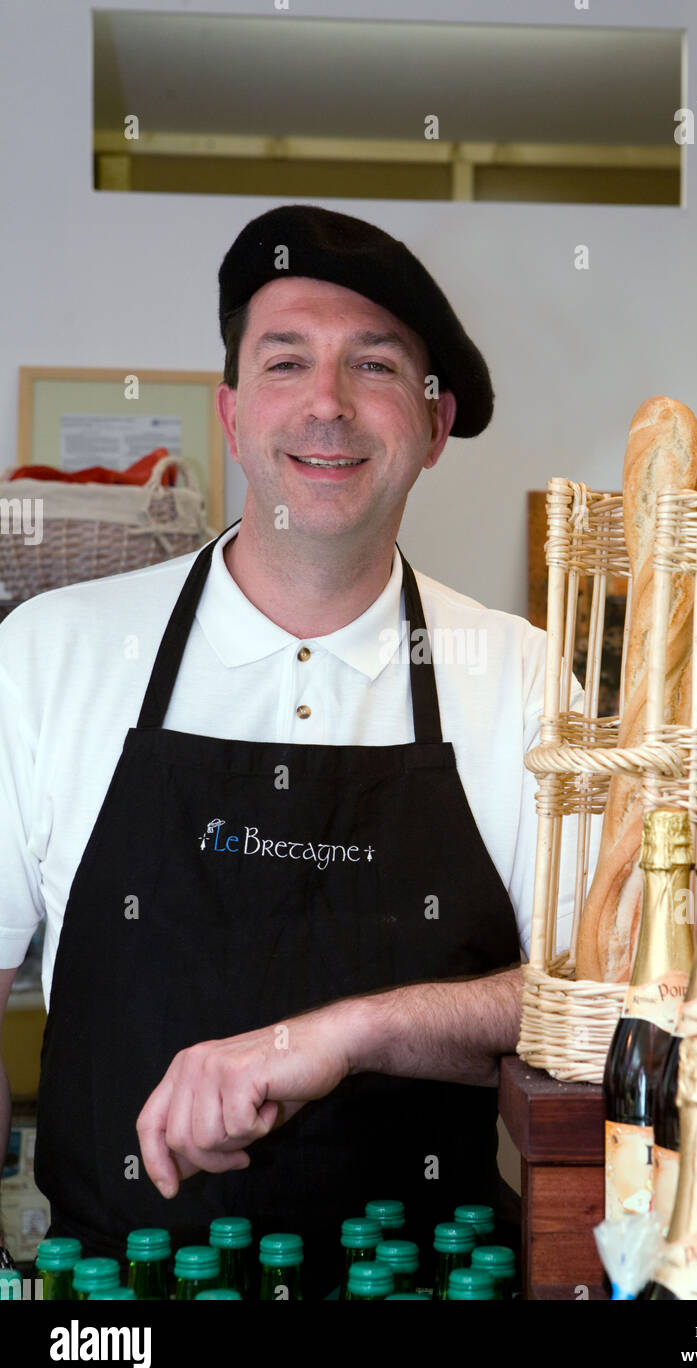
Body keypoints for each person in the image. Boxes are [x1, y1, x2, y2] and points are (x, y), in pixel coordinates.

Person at [0, 205, 583, 1294]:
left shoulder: (521, 680)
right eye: (286, 361)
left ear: (433, 421)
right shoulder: (48, 657)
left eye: (372, 365)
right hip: (117, 1300)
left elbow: (592, 1000)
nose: (326, 403)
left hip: (431, 1282)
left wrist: (349, 1030)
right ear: (230, 415)